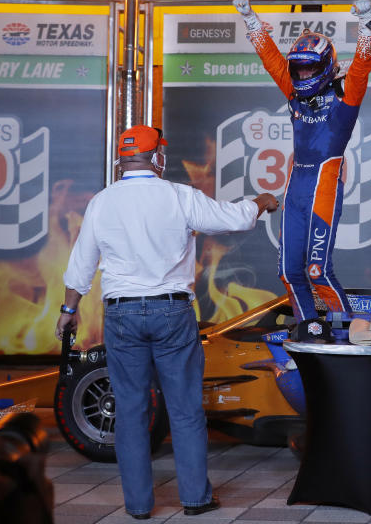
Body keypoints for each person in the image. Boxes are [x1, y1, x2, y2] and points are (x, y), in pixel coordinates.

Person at [56, 125, 278, 520]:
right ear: (156, 156)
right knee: (186, 409)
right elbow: (233, 217)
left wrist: (69, 311)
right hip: (172, 312)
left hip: (122, 314)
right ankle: (195, 499)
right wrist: (260, 202)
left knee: (131, 410)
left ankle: (139, 506)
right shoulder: (178, 195)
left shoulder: (102, 202)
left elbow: (80, 266)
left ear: (122, 159)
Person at [232, 0, 371, 341]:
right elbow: (271, 62)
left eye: (310, 68)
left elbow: (362, 64)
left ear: (326, 66)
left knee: (317, 270)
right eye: (297, 68)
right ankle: (308, 330)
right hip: (295, 189)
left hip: (325, 187)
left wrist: (368, 23)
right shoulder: (293, 93)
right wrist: (252, 22)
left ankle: (347, 335)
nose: (302, 74)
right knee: (287, 271)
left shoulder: (346, 96)